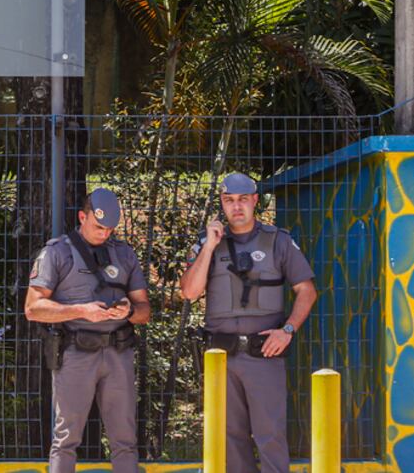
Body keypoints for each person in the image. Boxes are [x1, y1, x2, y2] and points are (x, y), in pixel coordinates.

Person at [180, 173, 318, 473]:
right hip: (222, 357)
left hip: (263, 354)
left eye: (243, 199)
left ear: (255, 201)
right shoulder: (208, 244)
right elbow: (189, 291)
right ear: (222, 204)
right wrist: (207, 247)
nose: (237, 207)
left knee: (270, 435)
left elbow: (306, 291)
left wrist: (288, 331)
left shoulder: (278, 240)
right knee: (229, 437)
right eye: (229, 201)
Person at [24, 188, 151, 473]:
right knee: (66, 439)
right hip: (75, 354)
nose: (104, 234)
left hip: (118, 354)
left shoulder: (124, 254)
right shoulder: (57, 253)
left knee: (125, 441)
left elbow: (145, 310)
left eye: (109, 229)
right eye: (98, 226)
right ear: (83, 216)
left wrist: (128, 311)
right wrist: (82, 310)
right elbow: (32, 308)